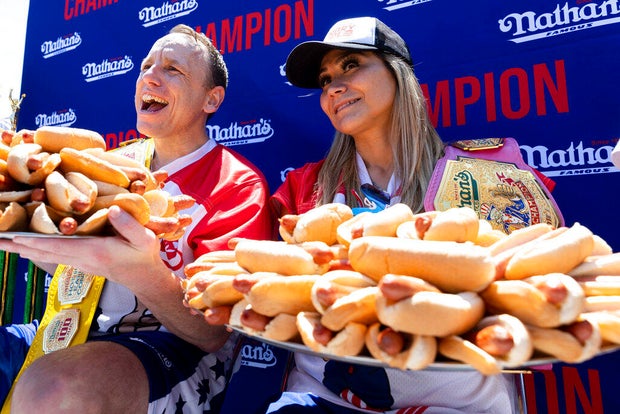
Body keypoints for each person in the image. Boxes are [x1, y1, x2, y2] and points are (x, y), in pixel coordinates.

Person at [265, 16, 562, 413]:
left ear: (398, 74)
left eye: (351, 65)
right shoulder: (302, 189)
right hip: (322, 401)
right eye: (325, 79)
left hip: (461, 405)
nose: (334, 87)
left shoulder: (486, 174)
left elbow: (538, 304)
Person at [0, 23, 273, 413]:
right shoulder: (115, 162)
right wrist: (25, 240)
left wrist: (140, 270)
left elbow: (213, 335)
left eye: (172, 70)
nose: (151, 76)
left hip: (179, 349)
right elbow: (73, 267)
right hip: (71, 328)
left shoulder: (238, 184)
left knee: (53, 390)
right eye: (146, 66)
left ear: (211, 100)